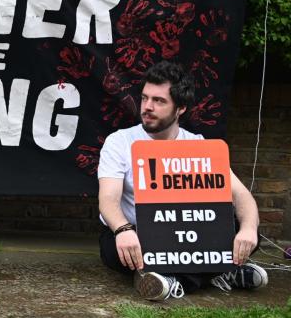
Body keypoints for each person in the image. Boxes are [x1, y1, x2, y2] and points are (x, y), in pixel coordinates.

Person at [98, 60, 268, 301]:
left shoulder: (197, 144)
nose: (147, 107)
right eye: (145, 98)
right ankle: (220, 272)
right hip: (139, 233)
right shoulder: (120, 142)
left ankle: (167, 279)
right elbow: (107, 200)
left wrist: (249, 230)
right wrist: (123, 230)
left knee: (248, 232)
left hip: (188, 235)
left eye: (159, 101)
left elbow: (242, 196)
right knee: (113, 250)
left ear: (181, 109)